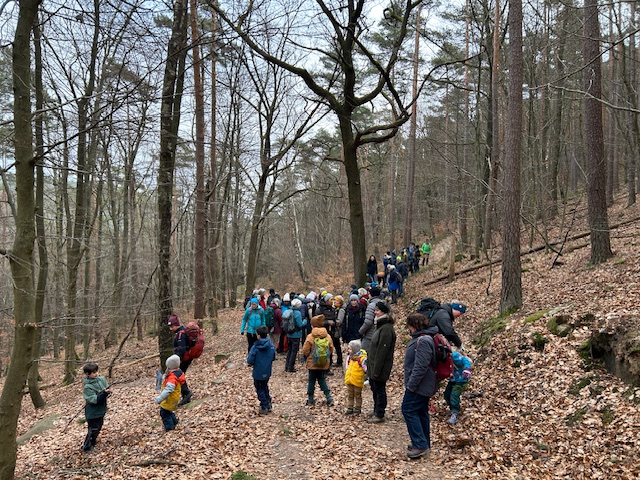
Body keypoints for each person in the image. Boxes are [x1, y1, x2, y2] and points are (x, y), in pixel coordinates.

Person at [402, 313, 439, 459]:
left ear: (414, 325)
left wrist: (411, 385)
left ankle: (420, 444)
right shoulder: (423, 338)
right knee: (420, 411)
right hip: (422, 384)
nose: (408, 329)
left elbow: (421, 366)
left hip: (420, 385)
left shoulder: (423, 340)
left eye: (409, 326)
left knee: (408, 409)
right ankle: (423, 442)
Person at [367, 301, 396, 424]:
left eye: (377, 310)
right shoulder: (380, 326)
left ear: (383, 312)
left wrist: (377, 370)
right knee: (374, 388)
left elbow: (382, 352)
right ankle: (376, 410)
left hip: (380, 366)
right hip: (374, 365)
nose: (375, 312)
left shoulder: (386, 329)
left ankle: (379, 413)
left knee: (379, 390)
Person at [301, 314, 335, 406]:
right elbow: (331, 348)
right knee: (322, 380)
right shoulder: (327, 336)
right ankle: (329, 397)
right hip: (324, 363)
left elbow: (305, 350)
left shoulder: (310, 336)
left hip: (312, 363)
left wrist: (309, 356)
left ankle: (310, 399)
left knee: (311, 381)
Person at [81, 363, 111, 452]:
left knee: (99, 427)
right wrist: (104, 394)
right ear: (87, 374)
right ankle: (87, 447)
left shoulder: (101, 380)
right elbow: (94, 400)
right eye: (93, 372)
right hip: (92, 413)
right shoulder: (87, 387)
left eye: (96, 371)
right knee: (93, 429)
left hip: (101, 410)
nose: (96, 374)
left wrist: (107, 392)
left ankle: (92, 443)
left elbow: (107, 389)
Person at [247, 326, 277, 414]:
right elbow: (273, 357)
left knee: (259, 388)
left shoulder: (255, 347)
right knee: (265, 386)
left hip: (258, 372)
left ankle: (264, 405)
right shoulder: (271, 346)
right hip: (267, 371)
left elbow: (250, 360)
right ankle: (268, 402)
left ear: (258, 335)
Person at [154, 354, 186, 431]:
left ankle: (170, 428)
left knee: (164, 413)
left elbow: (169, 389)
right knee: (168, 411)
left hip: (170, 398)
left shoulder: (172, 377)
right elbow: (168, 379)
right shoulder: (176, 372)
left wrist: (160, 398)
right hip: (173, 397)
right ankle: (175, 422)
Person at [168, 313, 194, 406]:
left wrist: (177, 360)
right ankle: (185, 396)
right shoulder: (181, 332)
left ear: (176, 325)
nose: (170, 329)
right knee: (180, 375)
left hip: (184, 359)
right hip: (185, 358)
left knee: (178, 376)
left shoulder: (180, 335)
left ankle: (187, 393)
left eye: (172, 327)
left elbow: (181, 349)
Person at [444, 350, 473, 425]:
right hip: (453, 379)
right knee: (447, 394)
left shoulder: (453, 356)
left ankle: (455, 413)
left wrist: (467, 369)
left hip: (461, 380)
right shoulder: (442, 359)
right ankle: (453, 408)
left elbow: (465, 360)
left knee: (454, 395)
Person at [343, 339, 367, 415]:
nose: (348, 350)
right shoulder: (349, 358)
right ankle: (350, 407)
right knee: (350, 394)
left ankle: (357, 408)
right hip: (350, 379)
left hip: (357, 380)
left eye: (350, 349)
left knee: (357, 395)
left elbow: (365, 369)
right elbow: (347, 367)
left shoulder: (361, 359)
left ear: (355, 349)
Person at [285, 298, 306, 372]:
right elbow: (300, 324)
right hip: (296, 334)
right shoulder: (297, 313)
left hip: (289, 333)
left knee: (289, 350)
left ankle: (287, 366)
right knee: (294, 351)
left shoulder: (289, 311)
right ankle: (291, 367)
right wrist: (305, 321)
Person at [360, 286, 382, 352]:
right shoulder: (383, 303)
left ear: (371, 295)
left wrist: (360, 331)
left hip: (370, 335)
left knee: (364, 354)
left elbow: (368, 322)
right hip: (380, 334)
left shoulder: (371, 305)